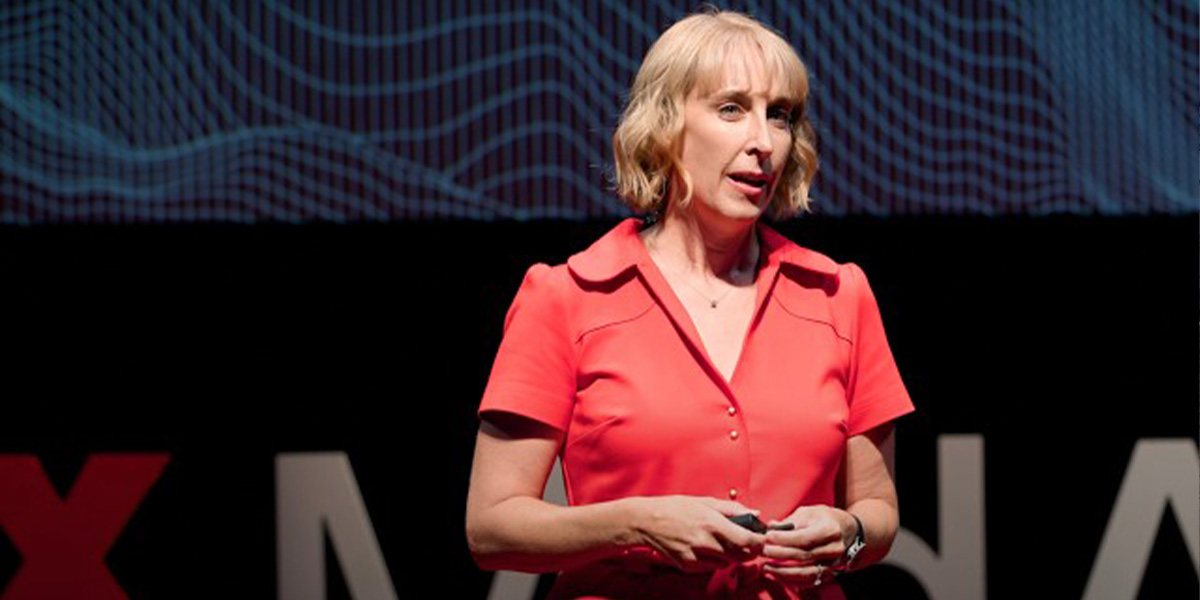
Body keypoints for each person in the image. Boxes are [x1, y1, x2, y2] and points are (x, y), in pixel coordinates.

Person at [466, 9, 913, 600]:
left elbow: (877, 516)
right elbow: (491, 529)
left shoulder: (837, 294)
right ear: (666, 126)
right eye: (731, 109)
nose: (763, 143)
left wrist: (847, 534)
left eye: (779, 116)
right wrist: (637, 524)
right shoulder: (566, 296)